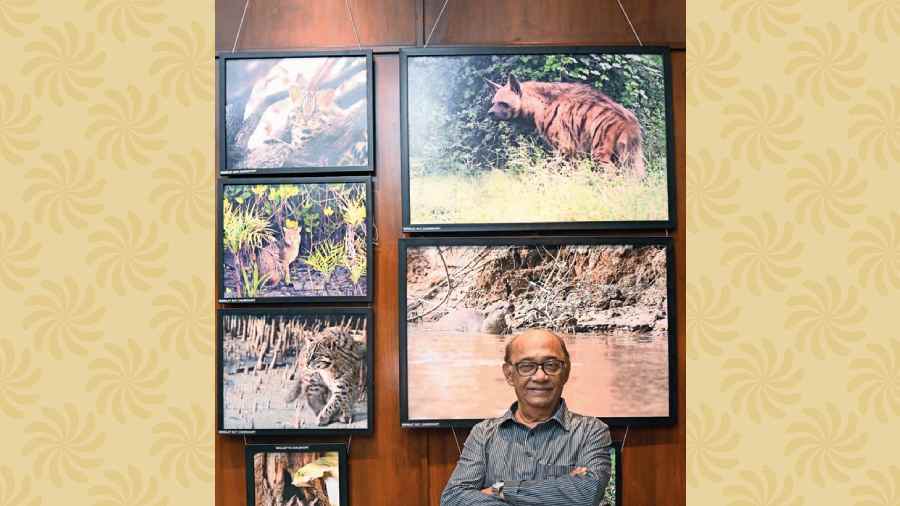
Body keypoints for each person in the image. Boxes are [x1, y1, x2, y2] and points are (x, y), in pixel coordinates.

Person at [440, 329, 612, 506]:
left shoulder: (591, 431)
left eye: (551, 365)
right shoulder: (483, 434)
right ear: (509, 374)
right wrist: (559, 491)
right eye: (526, 366)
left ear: (565, 372)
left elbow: (587, 492)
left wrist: (500, 489)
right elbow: (454, 498)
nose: (540, 376)